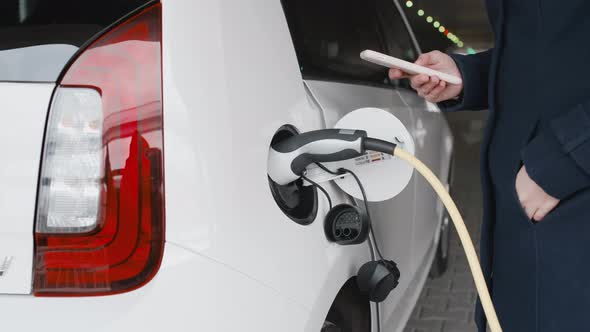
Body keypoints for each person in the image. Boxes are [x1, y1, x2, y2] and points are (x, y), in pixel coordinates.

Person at [390, 1, 590, 331]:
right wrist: (466, 75)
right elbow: (547, 54)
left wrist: (562, 162)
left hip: (569, 202)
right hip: (536, 209)